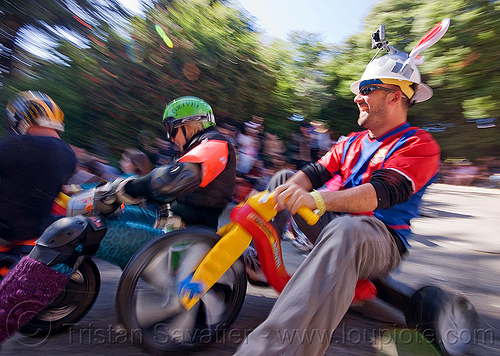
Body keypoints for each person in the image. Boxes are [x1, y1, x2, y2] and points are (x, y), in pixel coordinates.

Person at [235, 27, 442, 356]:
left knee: (349, 228)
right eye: (359, 89)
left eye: (367, 89)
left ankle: (272, 350)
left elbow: (379, 194)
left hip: (380, 239)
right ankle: (254, 261)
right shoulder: (352, 141)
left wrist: (315, 199)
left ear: (396, 96)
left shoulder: (419, 144)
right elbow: (313, 173)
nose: (357, 96)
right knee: (285, 178)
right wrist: (291, 191)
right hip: (336, 224)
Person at [0, 96, 236, 344]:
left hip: (181, 237)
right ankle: (44, 278)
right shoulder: (198, 148)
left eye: (172, 129)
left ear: (190, 124)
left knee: (76, 231)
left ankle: (9, 308)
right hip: (165, 224)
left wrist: (122, 190)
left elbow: (169, 183)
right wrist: (104, 194)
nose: (171, 138)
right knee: (82, 207)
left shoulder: (215, 143)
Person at [0, 91, 77, 246]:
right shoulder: (69, 155)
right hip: (36, 235)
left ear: (20, 119)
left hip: (5, 232)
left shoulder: (14, 146)